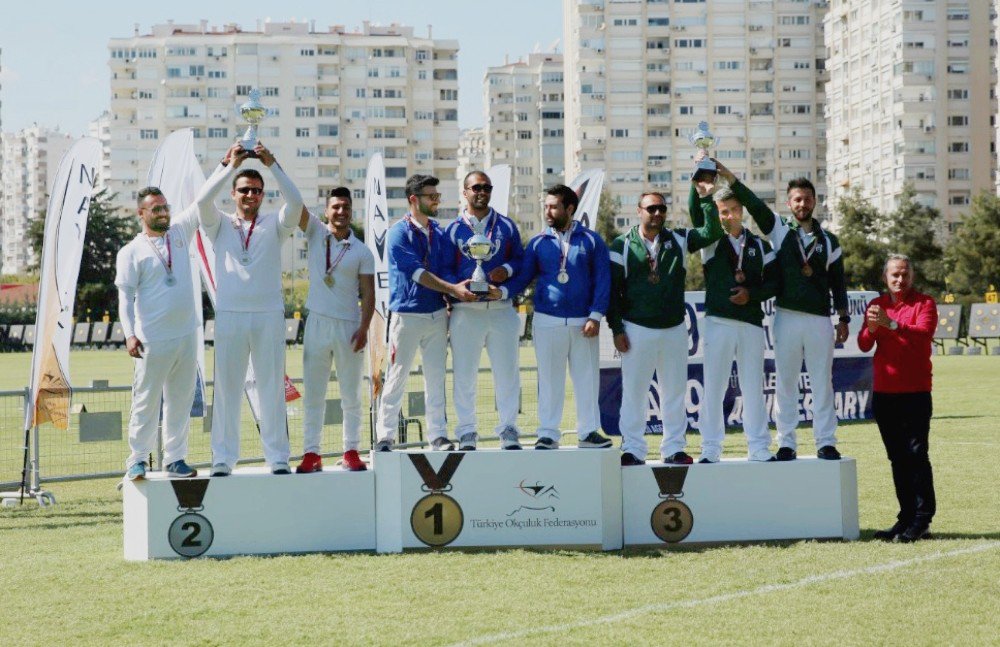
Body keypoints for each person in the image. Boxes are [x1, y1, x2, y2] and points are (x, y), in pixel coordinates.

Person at [196, 141, 303, 476]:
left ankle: (278, 457)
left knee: (271, 387)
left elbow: (297, 203)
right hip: (229, 316)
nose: (250, 196)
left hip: (269, 316)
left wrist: (273, 164)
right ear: (234, 193)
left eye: (256, 191)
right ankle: (223, 459)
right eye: (244, 190)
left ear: (262, 194)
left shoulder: (275, 224)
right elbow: (201, 201)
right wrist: (228, 164)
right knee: (227, 389)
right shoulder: (219, 224)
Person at [729, 176, 849, 461]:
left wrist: (843, 317)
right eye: (797, 199)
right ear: (788, 203)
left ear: (815, 202)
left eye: (807, 199)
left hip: (819, 319)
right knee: (785, 381)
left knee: (822, 381)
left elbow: (838, 283)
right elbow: (754, 205)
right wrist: (730, 179)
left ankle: (826, 441)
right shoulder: (780, 231)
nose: (803, 204)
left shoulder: (829, 241)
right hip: (787, 317)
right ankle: (786, 442)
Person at [608, 185, 723, 466]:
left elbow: (713, 232)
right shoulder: (621, 244)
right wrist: (617, 328)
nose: (657, 213)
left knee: (674, 392)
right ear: (639, 211)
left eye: (662, 208)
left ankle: (673, 448)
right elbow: (612, 291)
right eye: (651, 208)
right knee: (635, 392)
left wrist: (706, 197)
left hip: (673, 329)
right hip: (636, 328)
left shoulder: (679, 240)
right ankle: (633, 449)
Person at [374, 174, 487, 452]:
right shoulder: (397, 233)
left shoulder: (438, 231)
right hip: (406, 316)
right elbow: (418, 273)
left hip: (437, 314)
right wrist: (453, 288)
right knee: (397, 376)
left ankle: (437, 435)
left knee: (436, 378)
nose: (436, 201)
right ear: (414, 199)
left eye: (437, 196)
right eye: (431, 196)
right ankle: (385, 436)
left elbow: (448, 268)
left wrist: (465, 285)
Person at [505, 185, 613, 450]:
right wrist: (502, 291)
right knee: (549, 380)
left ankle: (588, 432)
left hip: (582, 322)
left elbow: (602, 280)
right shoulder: (539, 242)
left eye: (553, 206)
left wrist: (596, 315)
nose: (548, 211)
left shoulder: (591, 240)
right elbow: (523, 277)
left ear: (570, 209)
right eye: (546, 206)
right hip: (547, 320)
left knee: (587, 379)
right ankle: (548, 433)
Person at [689, 161, 779, 463]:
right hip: (718, 322)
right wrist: (700, 190)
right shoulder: (711, 242)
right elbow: (696, 215)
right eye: (722, 211)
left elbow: (774, 283)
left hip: (751, 323)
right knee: (714, 386)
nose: (729, 216)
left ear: (742, 210)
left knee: (753, 387)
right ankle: (711, 449)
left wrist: (751, 294)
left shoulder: (760, 245)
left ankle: (759, 447)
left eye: (733, 210)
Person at [116, 187, 201, 480]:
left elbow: (203, 197)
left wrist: (227, 164)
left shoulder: (180, 233)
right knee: (146, 402)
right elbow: (125, 298)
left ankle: (175, 459)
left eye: (165, 207)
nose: (164, 212)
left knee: (181, 401)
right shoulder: (130, 252)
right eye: (156, 209)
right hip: (150, 340)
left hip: (187, 336)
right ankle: (137, 459)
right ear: (141, 213)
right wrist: (129, 334)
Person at [858, 254, 937, 543]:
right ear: (885, 278)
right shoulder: (876, 305)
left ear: (912, 276)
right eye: (894, 275)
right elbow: (864, 343)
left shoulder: (925, 303)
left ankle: (922, 519)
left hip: (915, 392)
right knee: (897, 458)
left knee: (917, 456)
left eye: (904, 274)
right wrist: (873, 327)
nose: (900, 280)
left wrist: (892, 326)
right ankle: (905, 518)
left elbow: (922, 337)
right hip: (885, 393)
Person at [444, 171, 525, 451]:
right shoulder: (453, 229)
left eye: (486, 187)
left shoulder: (506, 226)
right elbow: (443, 267)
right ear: (464, 192)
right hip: (466, 311)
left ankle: (509, 428)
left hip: (501, 308)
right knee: (464, 374)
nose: (482, 191)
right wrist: (456, 289)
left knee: (508, 373)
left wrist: (507, 270)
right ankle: (467, 431)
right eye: (476, 187)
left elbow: (521, 260)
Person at [296, 188, 375, 473]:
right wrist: (273, 165)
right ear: (326, 210)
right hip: (317, 322)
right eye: (336, 207)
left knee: (351, 394)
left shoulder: (362, 250)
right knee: (314, 393)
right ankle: (311, 453)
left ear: (351, 210)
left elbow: (368, 293)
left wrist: (364, 327)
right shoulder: (315, 233)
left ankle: (351, 450)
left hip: (349, 325)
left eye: (346, 207)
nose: (341, 212)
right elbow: (295, 202)